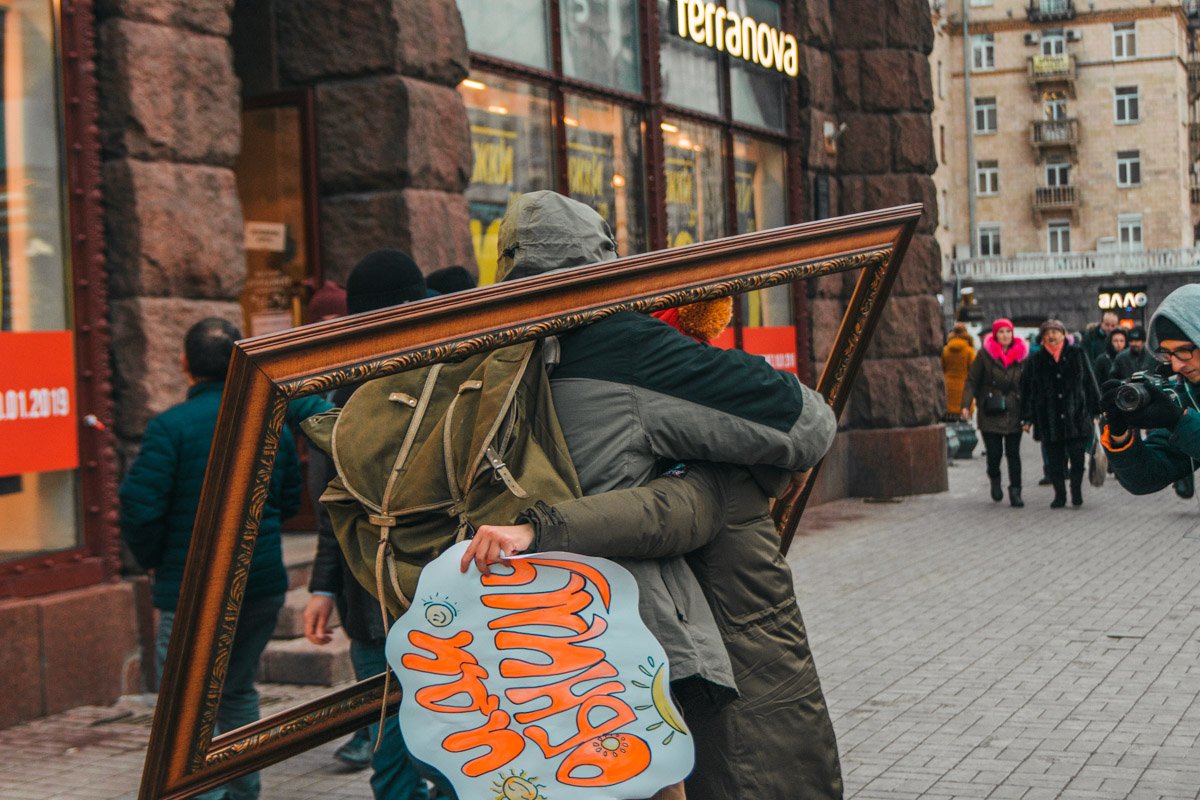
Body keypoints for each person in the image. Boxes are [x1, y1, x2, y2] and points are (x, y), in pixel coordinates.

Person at [479, 191, 842, 798]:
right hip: (640, 640)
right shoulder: (627, 346)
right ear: (605, 256)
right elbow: (806, 425)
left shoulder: (484, 350)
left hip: (520, 641)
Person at [120, 318, 301, 800]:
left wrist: (158, 560)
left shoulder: (169, 428)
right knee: (238, 691)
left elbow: (140, 508)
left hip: (192, 589)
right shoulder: (269, 418)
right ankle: (244, 791)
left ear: (184, 364)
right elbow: (288, 495)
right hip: (259, 586)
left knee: (186, 710)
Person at [304, 249, 443, 799]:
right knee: (411, 754)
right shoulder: (354, 387)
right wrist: (321, 583)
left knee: (426, 753)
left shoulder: (446, 374)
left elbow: (327, 499)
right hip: (385, 600)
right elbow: (333, 502)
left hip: (422, 599)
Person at [1102, 284, 1200, 495]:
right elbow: (1146, 478)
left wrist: (1179, 420)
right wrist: (1121, 435)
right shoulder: (1189, 394)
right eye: (1168, 354)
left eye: (1183, 351)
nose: (1175, 366)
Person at [1021, 319, 1100, 508]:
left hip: (1076, 415)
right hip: (1049, 418)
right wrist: (1027, 417)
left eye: (1055, 332)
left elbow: (1089, 381)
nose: (1052, 336)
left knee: (1078, 459)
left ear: (1064, 335)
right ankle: (1060, 495)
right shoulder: (1036, 360)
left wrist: (1096, 408)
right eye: (1047, 333)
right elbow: (1027, 390)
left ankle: (1076, 491)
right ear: (1042, 339)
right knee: (1054, 461)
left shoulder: (1077, 353)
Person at [961, 318, 1028, 507]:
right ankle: (995, 479)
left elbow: (1028, 383)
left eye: (1008, 331)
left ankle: (1016, 491)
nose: (1005, 335)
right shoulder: (984, 355)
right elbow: (972, 381)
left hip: (1014, 410)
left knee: (1013, 454)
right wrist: (966, 405)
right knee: (994, 454)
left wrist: (1029, 410)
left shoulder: (1022, 355)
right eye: (1001, 332)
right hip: (990, 410)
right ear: (995, 335)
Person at [942, 322, 976, 419]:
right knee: (965, 423)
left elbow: (942, 368)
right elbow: (973, 371)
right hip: (964, 389)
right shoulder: (969, 351)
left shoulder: (945, 350)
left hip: (948, 389)